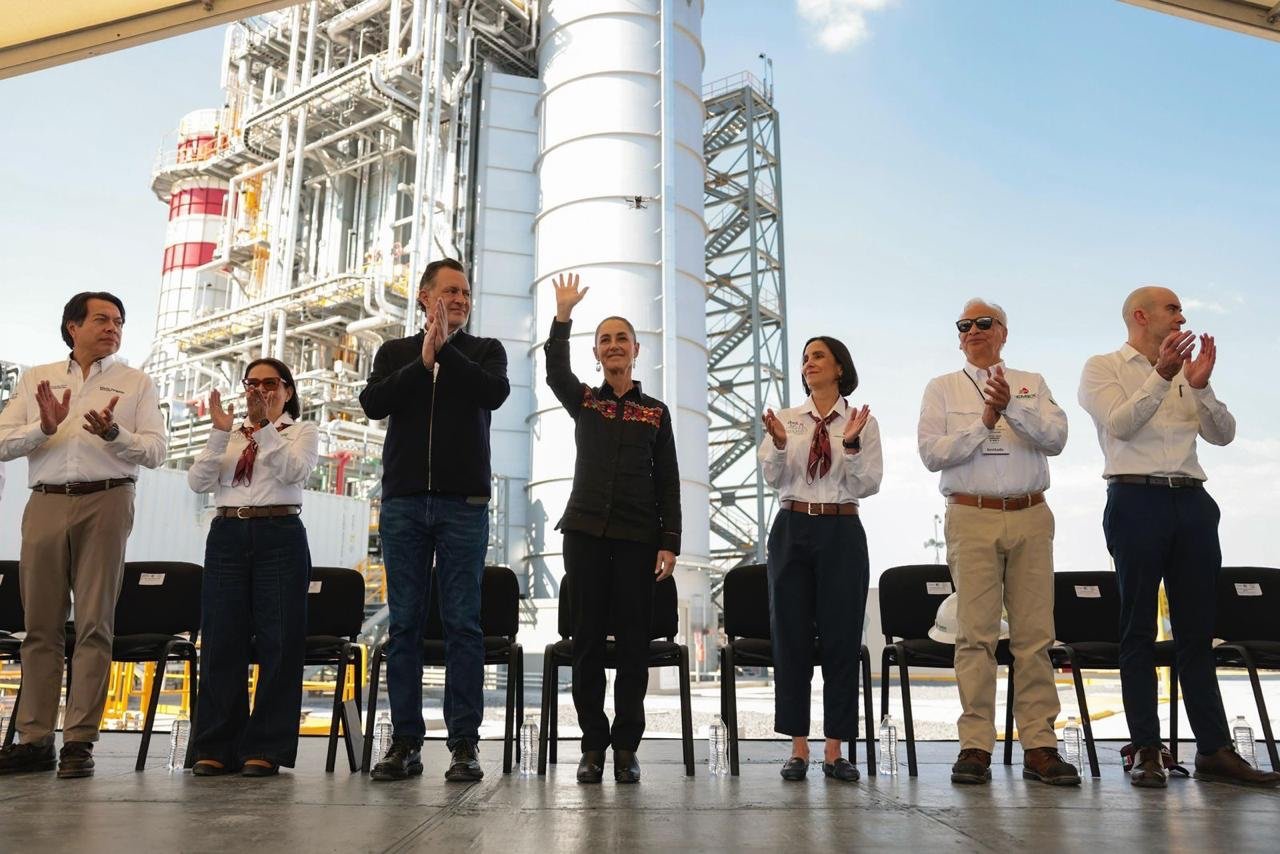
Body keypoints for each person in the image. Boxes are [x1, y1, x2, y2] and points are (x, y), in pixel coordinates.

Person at [1078, 286, 1279, 788]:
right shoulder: (1103, 368)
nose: (1182, 317)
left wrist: (1201, 387)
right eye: (1173, 309)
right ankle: (1147, 749)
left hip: (1192, 502)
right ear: (1141, 316)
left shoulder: (1188, 372)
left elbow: (1224, 435)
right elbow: (1121, 425)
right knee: (1138, 628)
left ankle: (1213, 750)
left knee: (1197, 631)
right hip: (1135, 498)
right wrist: (1162, 376)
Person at [0, 292, 166, 778]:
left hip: (108, 498)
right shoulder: (37, 377)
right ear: (73, 326)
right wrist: (43, 427)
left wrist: (116, 435)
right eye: (101, 319)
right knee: (40, 626)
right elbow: (2, 441)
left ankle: (78, 741)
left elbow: (157, 451)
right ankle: (34, 740)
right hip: (46, 500)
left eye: (119, 321)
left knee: (95, 623)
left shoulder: (136, 382)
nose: (113, 327)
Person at [359, 258, 510, 782]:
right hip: (403, 504)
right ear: (425, 297)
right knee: (404, 626)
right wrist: (422, 362)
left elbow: (494, 393)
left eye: (466, 292)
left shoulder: (485, 351)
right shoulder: (394, 352)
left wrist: (445, 352)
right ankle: (405, 742)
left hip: (463, 505)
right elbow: (372, 402)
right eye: (451, 291)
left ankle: (464, 744)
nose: (461, 299)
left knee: (463, 624)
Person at [918, 299, 1077, 786]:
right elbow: (931, 453)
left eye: (984, 323)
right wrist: (983, 423)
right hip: (971, 514)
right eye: (964, 325)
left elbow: (1057, 438)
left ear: (1003, 332)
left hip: (1031, 513)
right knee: (975, 636)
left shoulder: (1031, 382)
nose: (974, 330)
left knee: (1035, 636)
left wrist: (1012, 408)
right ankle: (975, 746)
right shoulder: (942, 388)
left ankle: (1040, 745)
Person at [544, 273, 681, 785]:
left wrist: (670, 541)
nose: (614, 345)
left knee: (632, 648)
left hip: (638, 540)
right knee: (585, 645)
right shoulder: (585, 401)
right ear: (597, 353)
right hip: (583, 535)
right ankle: (592, 747)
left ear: (636, 350)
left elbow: (668, 481)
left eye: (622, 338)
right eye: (605, 339)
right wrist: (563, 317)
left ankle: (625, 748)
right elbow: (555, 371)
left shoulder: (656, 413)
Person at [186, 358, 319, 777]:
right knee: (221, 637)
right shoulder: (229, 434)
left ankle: (265, 746)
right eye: (252, 383)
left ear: (288, 390)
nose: (260, 390)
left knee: (280, 640)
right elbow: (198, 482)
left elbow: (294, 471)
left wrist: (263, 427)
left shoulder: (301, 431)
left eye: (270, 383)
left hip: (279, 531)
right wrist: (217, 433)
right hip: (228, 532)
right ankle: (216, 744)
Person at [759, 333, 882, 782]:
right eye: (805, 358)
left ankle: (835, 749)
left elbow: (869, 483)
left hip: (841, 529)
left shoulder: (862, 422)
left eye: (818, 356)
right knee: (790, 636)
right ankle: (798, 747)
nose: (809, 363)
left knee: (841, 639)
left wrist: (850, 446)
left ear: (839, 368)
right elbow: (773, 477)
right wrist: (777, 444)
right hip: (792, 526)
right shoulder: (787, 420)